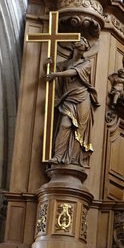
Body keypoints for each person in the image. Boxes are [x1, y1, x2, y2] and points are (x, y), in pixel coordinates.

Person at [48, 38, 98, 166]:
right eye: (79, 48)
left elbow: (74, 72)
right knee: (65, 125)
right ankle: (58, 156)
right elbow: (50, 72)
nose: (80, 51)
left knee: (79, 130)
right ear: (74, 48)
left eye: (83, 49)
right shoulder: (66, 63)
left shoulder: (87, 63)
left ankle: (72, 159)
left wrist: (56, 75)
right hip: (68, 98)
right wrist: (46, 65)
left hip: (82, 97)